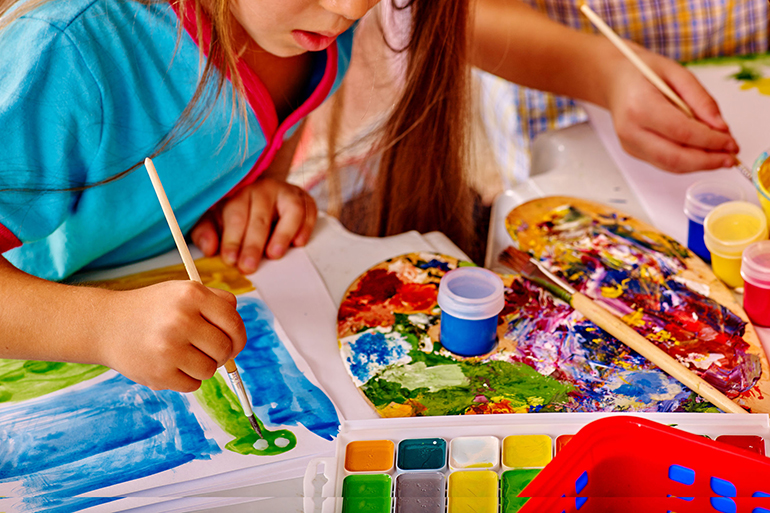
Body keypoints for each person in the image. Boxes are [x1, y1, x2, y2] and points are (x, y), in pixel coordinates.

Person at [0, 0, 738, 393]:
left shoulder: (300, 27)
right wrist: (95, 326)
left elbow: (214, 145)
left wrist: (249, 190)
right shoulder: (67, 54)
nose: (350, 10)